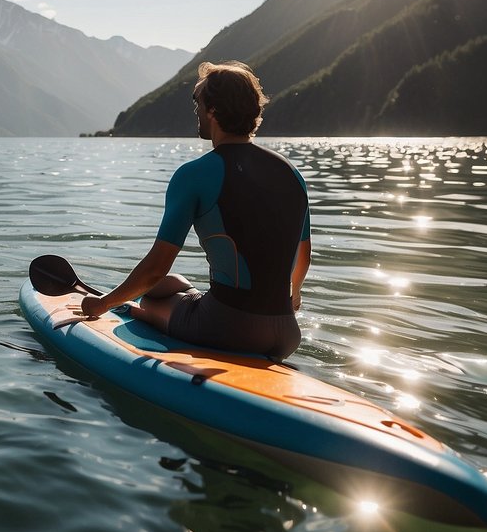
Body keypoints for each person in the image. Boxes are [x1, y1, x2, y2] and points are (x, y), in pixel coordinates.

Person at [74, 61, 311, 359]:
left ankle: (136, 309)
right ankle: (180, 294)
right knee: (172, 287)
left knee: (150, 300)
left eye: (197, 101)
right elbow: (304, 255)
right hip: (287, 334)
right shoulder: (291, 173)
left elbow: (156, 267)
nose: (196, 110)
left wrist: (102, 304)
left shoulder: (194, 174)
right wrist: (295, 295)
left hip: (228, 329)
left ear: (213, 110)